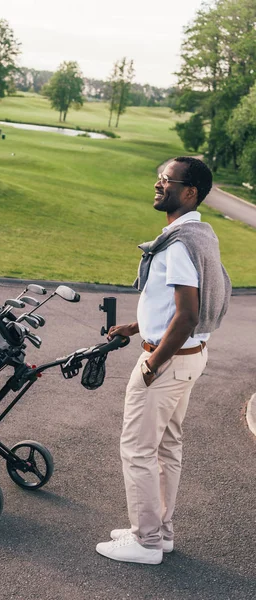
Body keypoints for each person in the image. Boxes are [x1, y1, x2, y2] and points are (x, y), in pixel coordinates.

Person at [96, 156, 232, 565]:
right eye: (159, 178)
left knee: (138, 450)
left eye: (166, 180)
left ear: (189, 192)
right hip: (191, 358)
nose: (158, 185)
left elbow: (187, 315)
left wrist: (152, 363)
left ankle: (146, 541)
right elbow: (174, 305)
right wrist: (135, 327)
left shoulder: (178, 246)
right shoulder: (199, 235)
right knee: (167, 448)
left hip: (168, 362)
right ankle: (161, 532)